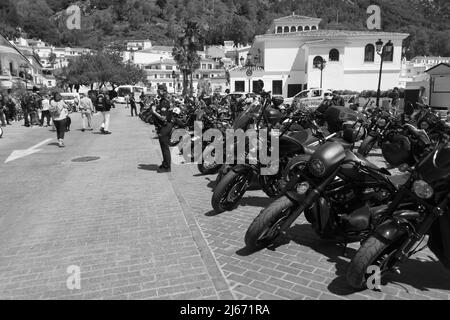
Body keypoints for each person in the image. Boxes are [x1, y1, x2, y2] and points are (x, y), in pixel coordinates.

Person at [152, 84, 173, 173]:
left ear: (163, 91)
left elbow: (163, 117)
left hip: (165, 126)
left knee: (165, 147)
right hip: (164, 126)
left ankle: (167, 167)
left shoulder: (165, 102)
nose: (158, 91)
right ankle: (165, 163)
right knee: (163, 147)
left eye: (159, 90)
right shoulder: (162, 101)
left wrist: (153, 112)